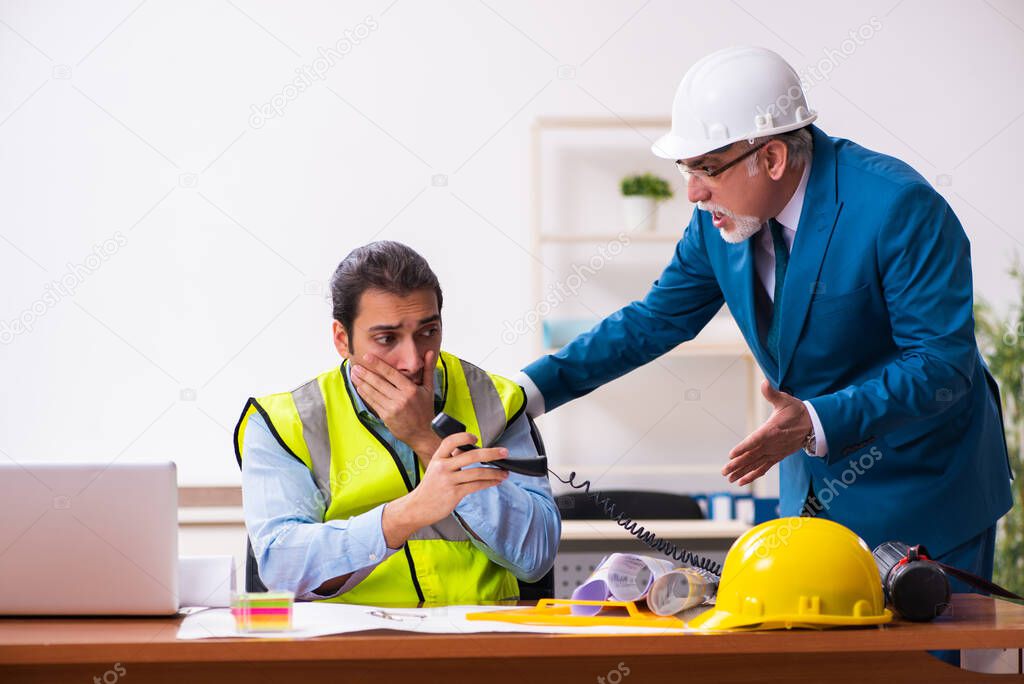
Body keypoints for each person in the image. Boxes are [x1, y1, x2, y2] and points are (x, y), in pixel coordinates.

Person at [516, 46, 1011, 594]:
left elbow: (942, 365)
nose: (693, 192)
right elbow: (654, 320)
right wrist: (527, 391)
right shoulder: (718, 220)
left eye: (706, 169)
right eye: (686, 169)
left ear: (773, 158)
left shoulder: (898, 208)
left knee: (924, 674)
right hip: (813, 500)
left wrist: (815, 420)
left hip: (928, 494)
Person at [236, 241, 559, 604]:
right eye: (387, 338)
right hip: (347, 648)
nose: (411, 360)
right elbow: (281, 568)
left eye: (427, 332)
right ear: (343, 340)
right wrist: (403, 516)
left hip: (480, 643)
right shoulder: (283, 423)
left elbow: (535, 557)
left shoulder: (497, 400)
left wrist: (426, 438)